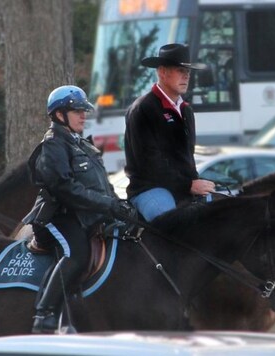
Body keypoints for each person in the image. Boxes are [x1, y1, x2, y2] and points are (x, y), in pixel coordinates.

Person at [22, 85, 132, 334]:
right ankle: (45, 313)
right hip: (57, 217)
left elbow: (101, 184)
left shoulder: (82, 144)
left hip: (84, 215)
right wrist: (107, 205)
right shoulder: (53, 145)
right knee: (76, 254)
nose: (84, 115)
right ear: (60, 114)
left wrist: (117, 204)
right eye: (77, 111)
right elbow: (65, 189)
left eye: (84, 110)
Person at [124, 43, 216, 222]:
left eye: (188, 71)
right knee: (172, 224)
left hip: (183, 188)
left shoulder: (186, 110)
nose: (186, 76)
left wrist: (195, 182)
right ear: (162, 72)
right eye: (179, 70)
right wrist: (189, 185)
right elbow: (148, 163)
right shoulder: (143, 108)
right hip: (149, 188)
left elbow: (187, 159)